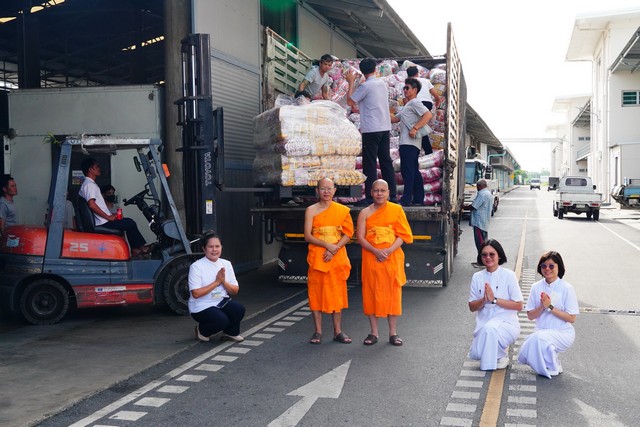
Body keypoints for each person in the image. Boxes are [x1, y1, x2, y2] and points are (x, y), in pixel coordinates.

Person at [356, 179, 413, 346]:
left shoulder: (396, 210)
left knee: (392, 295)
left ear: (388, 193)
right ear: (371, 193)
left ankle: (393, 333)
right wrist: (375, 251)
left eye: (383, 190)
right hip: (371, 259)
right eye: (376, 191)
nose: (379, 194)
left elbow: (403, 235)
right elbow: (360, 237)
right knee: (371, 293)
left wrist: (388, 250)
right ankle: (373, 333)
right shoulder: (365, 213)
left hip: (391, 258)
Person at [304, 178, 353, 345]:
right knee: (316, 293)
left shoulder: (342, 210)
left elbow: (348, 234)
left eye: (329, 188)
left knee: (336, 293)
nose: (326, 191)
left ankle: (338, 331)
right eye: (323, 188)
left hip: (336, 256)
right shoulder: (311, 210)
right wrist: (326, 245)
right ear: (317, 190)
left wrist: (335, 248)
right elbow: (308, 235)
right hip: (318, 255)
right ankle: (317, 331)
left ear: (335, 190)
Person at [518, 251, 578, 378]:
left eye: (551, 266)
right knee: (530, 344)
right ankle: (552, 359)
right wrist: (542, 306)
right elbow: (530, 316)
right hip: (542, 330)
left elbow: (572, 318)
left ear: (559, 267)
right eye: (543, 266)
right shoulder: (536, 287)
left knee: (538, 339)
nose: (547, 269)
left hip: (563, 332)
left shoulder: (567, 288)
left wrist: (550, 307)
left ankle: (552, 365)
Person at [346, 58, 398, 205]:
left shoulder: (365, 86)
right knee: (385, 161)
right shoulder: (381, 84)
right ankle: (392, 195)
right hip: (384, 127)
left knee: (369, 163)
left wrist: (351, 81)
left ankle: (370, 197)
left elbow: (350, 102)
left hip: (371, 129)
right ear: (375, 69)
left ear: (362, 71)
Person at [468, 239, 523, 371]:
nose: (488, 257)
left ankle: (500, 356)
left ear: (499, 255)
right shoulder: (477, 277)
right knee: (476, 353)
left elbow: (519, 305)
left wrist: (494, 300)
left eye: (492, 254)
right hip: (483, 326)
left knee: (491, 329)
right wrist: (484, 300)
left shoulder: (509, 275)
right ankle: (495, 354)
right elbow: (471, 307)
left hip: (507, 324)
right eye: (484, 255)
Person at [79, 157, 150, 257]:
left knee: (126, 221)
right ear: (90, 170)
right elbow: (92, 205)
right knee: (130, 223)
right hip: (102, 223)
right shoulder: (89, 185)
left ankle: (136, 248)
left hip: (103, 220)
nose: (99, 168)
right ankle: (138, 248)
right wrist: (108, 217)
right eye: (97, 167)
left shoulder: (90, 184)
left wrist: (111, 215)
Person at [188, 231, 246, 343]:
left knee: (238, 309)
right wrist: (216, 282)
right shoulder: (196, 266)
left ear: (221, 248)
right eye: (210, 247)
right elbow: (196, 294)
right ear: (204, 249)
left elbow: (235, 290)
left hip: (220, 301)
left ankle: (230, 333)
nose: (214, 250)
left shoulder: (226, 264)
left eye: (217, 246)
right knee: (221, 320)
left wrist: (223, 281)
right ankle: (202, 331)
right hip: (201, 305)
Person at [391, 78, 431, 206]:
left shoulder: (414, 102)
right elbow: (395, 119)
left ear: (415, 90)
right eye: (404, 88)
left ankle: (406, 199)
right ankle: (418, 199)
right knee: (413, 171)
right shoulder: (408, 105)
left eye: (407, 88)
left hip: (409, 143)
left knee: (407, 171)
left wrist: (415, 128)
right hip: (408, 143)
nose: (405, 90)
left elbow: (428, 115)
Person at [405, 66, 441, 155]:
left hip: (416, 104)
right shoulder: (425, 81)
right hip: (428, 104)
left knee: (417, 127)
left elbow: (406, 101)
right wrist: (437, 102)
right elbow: (436, 95)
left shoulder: (407, 85)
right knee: (420, 125)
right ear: (417, 73)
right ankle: (427, 151)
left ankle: (427, 152)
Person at [470, 179, 492, 267]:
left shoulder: (482, 194)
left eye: (477, 187)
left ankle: (482, 262)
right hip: (484, 222)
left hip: (479, 223)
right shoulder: (488, 193)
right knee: (484, 242)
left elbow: (474, 206)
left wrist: (463, 206)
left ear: (480, 186)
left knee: (480, 243)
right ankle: (482, 260)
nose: (477, 189)